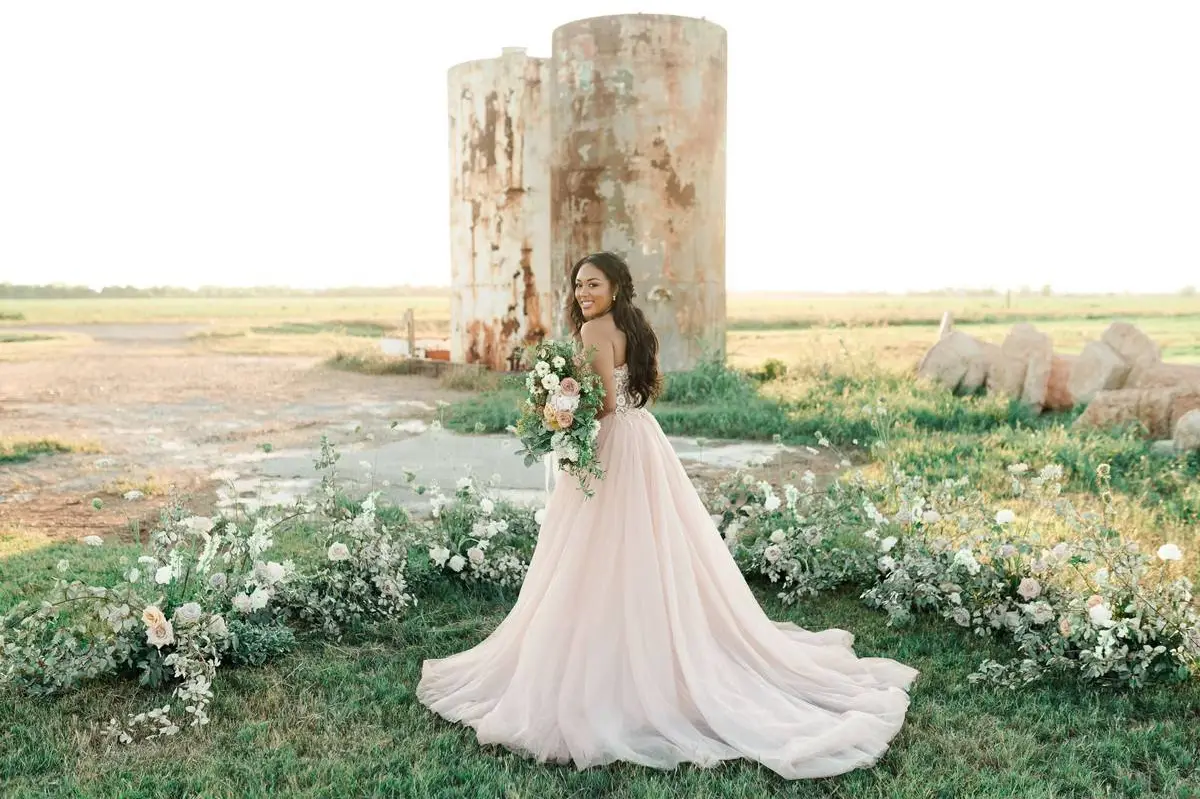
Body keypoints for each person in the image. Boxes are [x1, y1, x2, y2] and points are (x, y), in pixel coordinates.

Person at [417, 251, 919, 780]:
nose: (582, 292)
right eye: (578, 284)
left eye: (592, 283)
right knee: (642, 545)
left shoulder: (593, 332)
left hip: (610, 445)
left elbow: (605, 405)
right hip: (642, 440)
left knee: (598, 548)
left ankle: (616, 662)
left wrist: (558, 408)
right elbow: (633, 393)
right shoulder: (633, 325)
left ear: (614, 287)